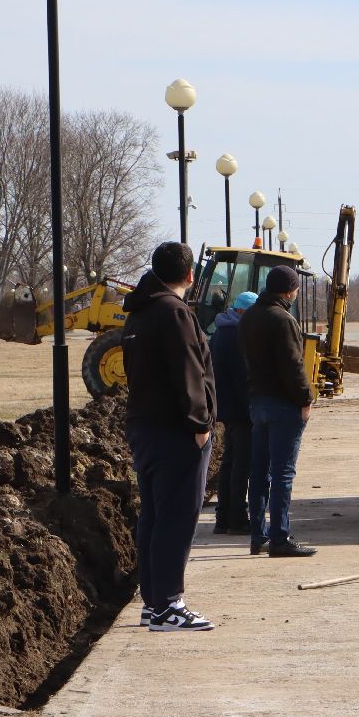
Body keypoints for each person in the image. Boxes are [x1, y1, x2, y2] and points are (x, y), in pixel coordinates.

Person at [121, 242, 218, 631]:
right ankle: (167, 604)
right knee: (177, 517)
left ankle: (153, 599)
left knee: (155, 516)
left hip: (145, 427)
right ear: (191, 275)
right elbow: (188, 371)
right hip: (176, 432)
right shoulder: (174, 312)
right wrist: (200, 424)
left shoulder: (139, 312)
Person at [241, 264, 317, 558]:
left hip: (257, 402)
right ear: (289, 290)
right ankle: (280, 538)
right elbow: (292, 365)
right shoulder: (283, 319)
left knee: (259, 473)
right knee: (283, 474)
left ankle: (258, 536)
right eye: (296, 288)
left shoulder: (249, 317)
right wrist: (306, 398)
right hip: (283, 406)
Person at [209, 290, 258, 536]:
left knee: (229, 461)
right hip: (240, 409)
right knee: (242, 464)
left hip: (226, 407)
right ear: (243, 312)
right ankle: (237, 517)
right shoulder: (237, 335)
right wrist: (253, 409)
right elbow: (243, 378)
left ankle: (223, 517)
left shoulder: (220, 331)